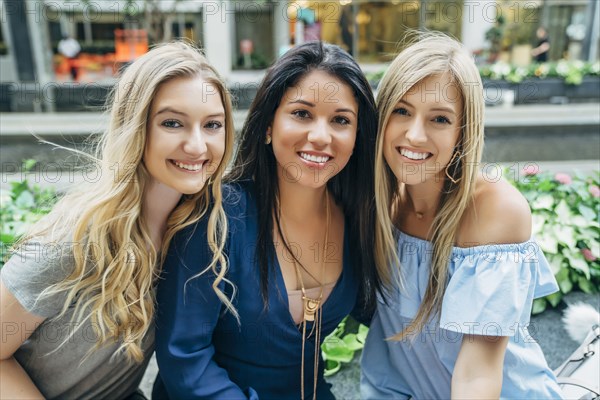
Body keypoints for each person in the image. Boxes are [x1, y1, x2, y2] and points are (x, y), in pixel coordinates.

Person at [154, 41, 391, 399]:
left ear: (357, 137)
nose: (320, 136)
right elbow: (185, 361)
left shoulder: (361, 219)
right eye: (302, 114)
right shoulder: (215, 218)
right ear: (268, 125)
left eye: (341, 120)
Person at [0, 41, 234, 399]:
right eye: (173, 123)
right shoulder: (76, 238)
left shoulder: (199, 230)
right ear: (136, 127)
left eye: (213, 125)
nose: (198, 146)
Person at [360, 33, 563, 399]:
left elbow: (477, 376)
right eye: (402, 111)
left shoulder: (495, 210)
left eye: (439, 118)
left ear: (462, 132)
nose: (415, 134)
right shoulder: (380, 202)